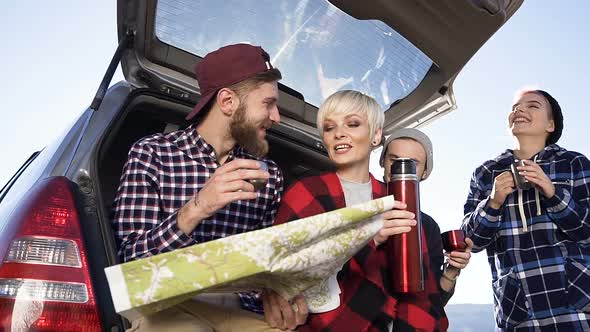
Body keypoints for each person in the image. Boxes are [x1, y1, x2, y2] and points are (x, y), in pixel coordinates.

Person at [111, 43, 307, 331]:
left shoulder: (270, 176)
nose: (276, 117)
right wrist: (197, 207)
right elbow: (131, 265)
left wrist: (279, 292)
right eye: (268, 104)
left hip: (238, 307)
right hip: (165, 300)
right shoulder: (152, 153)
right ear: (227, 101)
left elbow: (265, 263)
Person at [274, 90, 447, 331]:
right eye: (329, 127)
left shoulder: (397, 202)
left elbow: (421, 294)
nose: (339, 133)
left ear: (376, 135)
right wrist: (369, 239)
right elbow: (288, 277)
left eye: (352, 124)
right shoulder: (305, 193)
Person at [462, 88, 590, 330]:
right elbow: (471, 241)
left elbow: (587, 231)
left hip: (577, 306)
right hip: (518, 312)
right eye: (515, 107)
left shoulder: (574, 164)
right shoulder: (486, 173)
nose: (519, 110)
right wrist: (493, 202)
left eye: (532, 105)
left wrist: (553, 193)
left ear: (550, 125)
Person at [380, 128, 473, 327]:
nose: (402, 167)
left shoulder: (428, 226)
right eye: (394, 160)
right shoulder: (363, 208)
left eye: (413, 163)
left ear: (424, 172)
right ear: (383, 162)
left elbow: (435, 299)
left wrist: (452, 270)